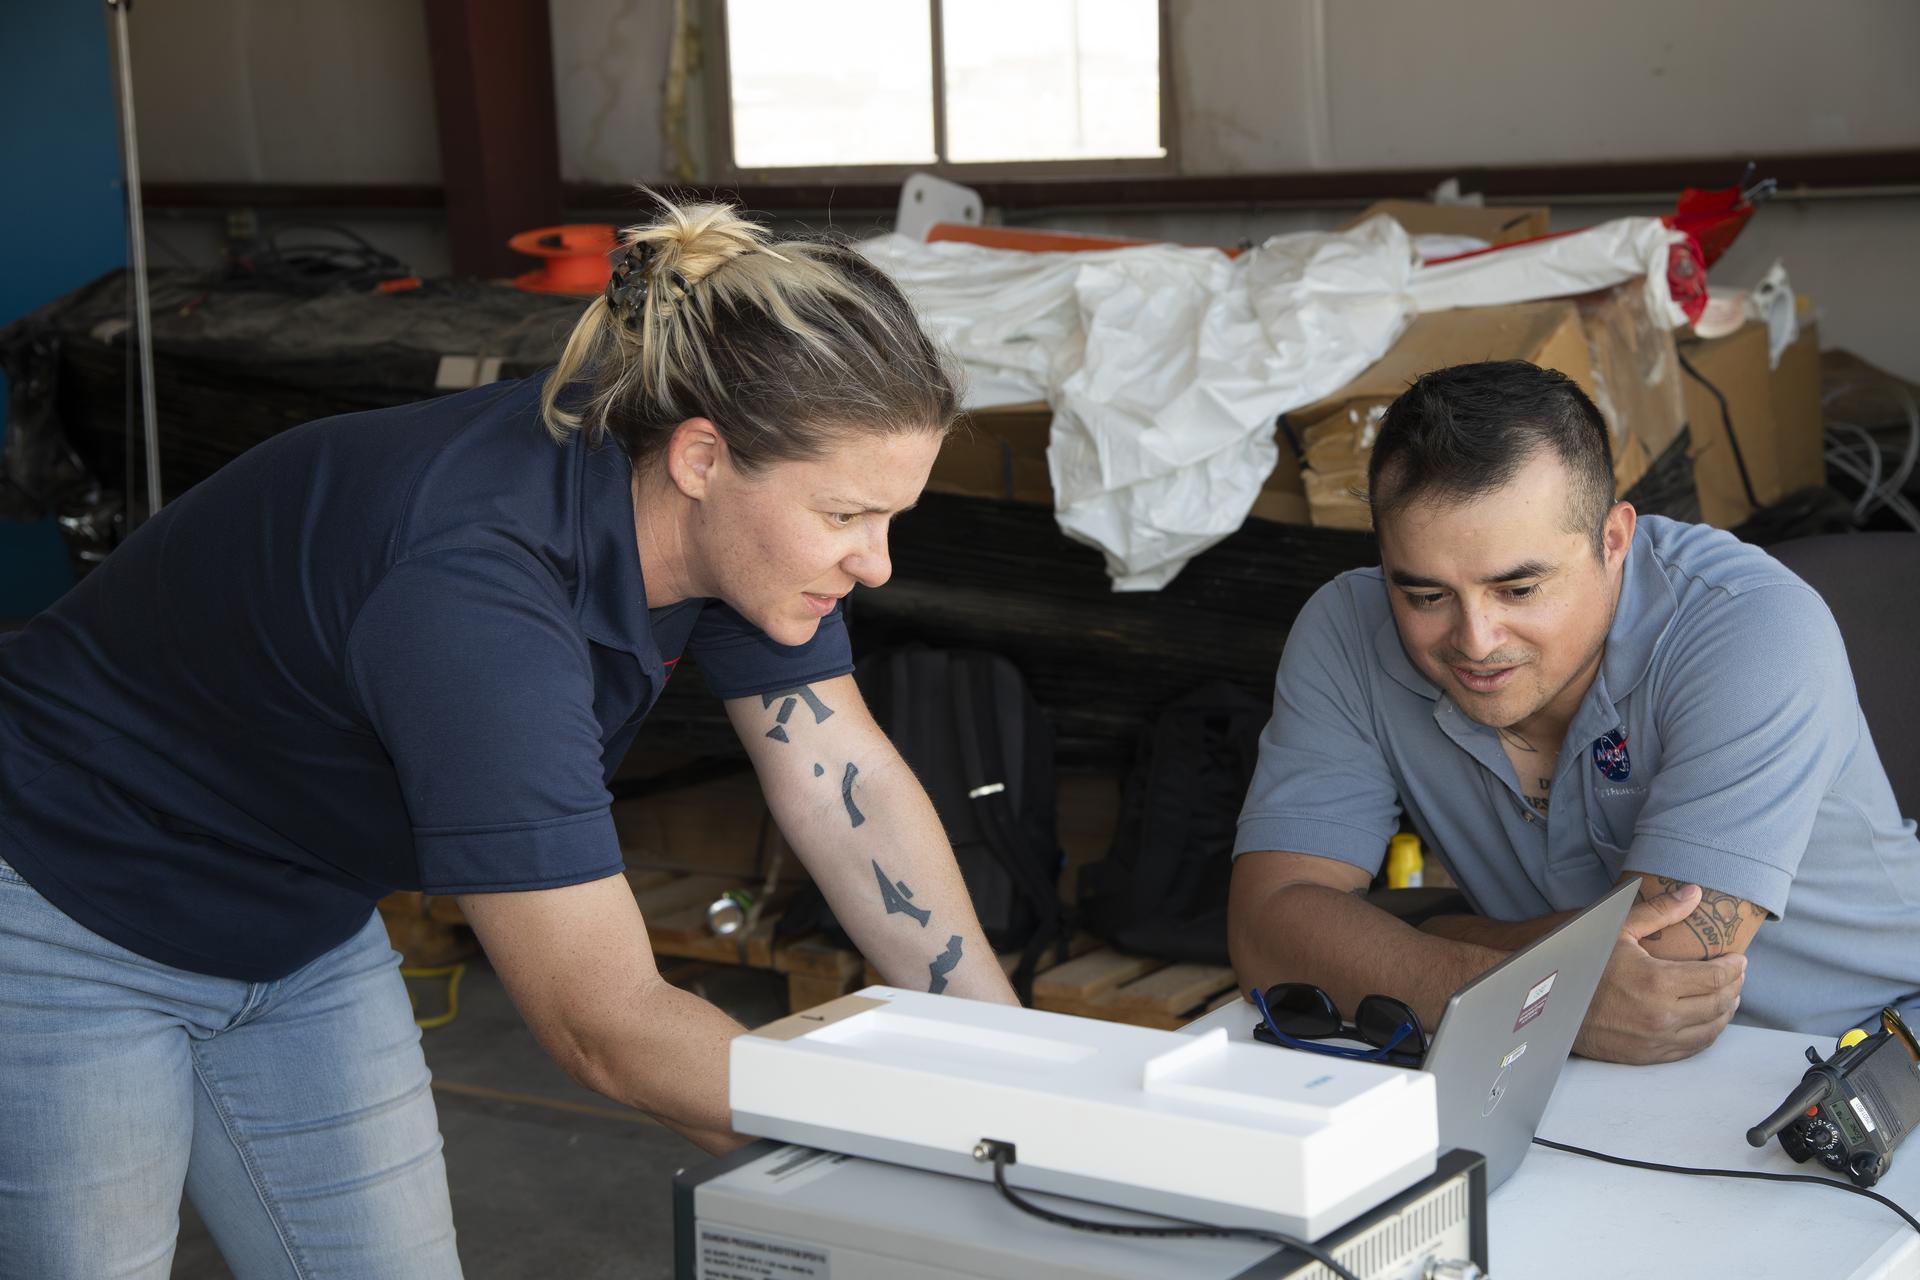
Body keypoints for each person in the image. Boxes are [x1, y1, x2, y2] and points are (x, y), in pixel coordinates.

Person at [0, 198, 1016, 1279]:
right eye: (847, 514)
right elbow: (606, 1021)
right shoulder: (476, 600)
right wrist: (932, 1170)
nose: (877, 563)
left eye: (890, 517)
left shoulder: (715, 513)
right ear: (703, 457)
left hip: (300, 918)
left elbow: (841, 780)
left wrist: (1020, 1069)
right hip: (71, 902)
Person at [1228, 360, 1920, 1064]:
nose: (1475, 641)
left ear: (1613, 540)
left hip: (1866, 1049)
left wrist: (1424, 936)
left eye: (1519, 589)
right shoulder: (1347, 628)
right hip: (1568, 1066)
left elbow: (1662, 975)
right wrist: (1524, 984)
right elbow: (1266, 933)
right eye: (1426, 596)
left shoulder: (1758, 629)